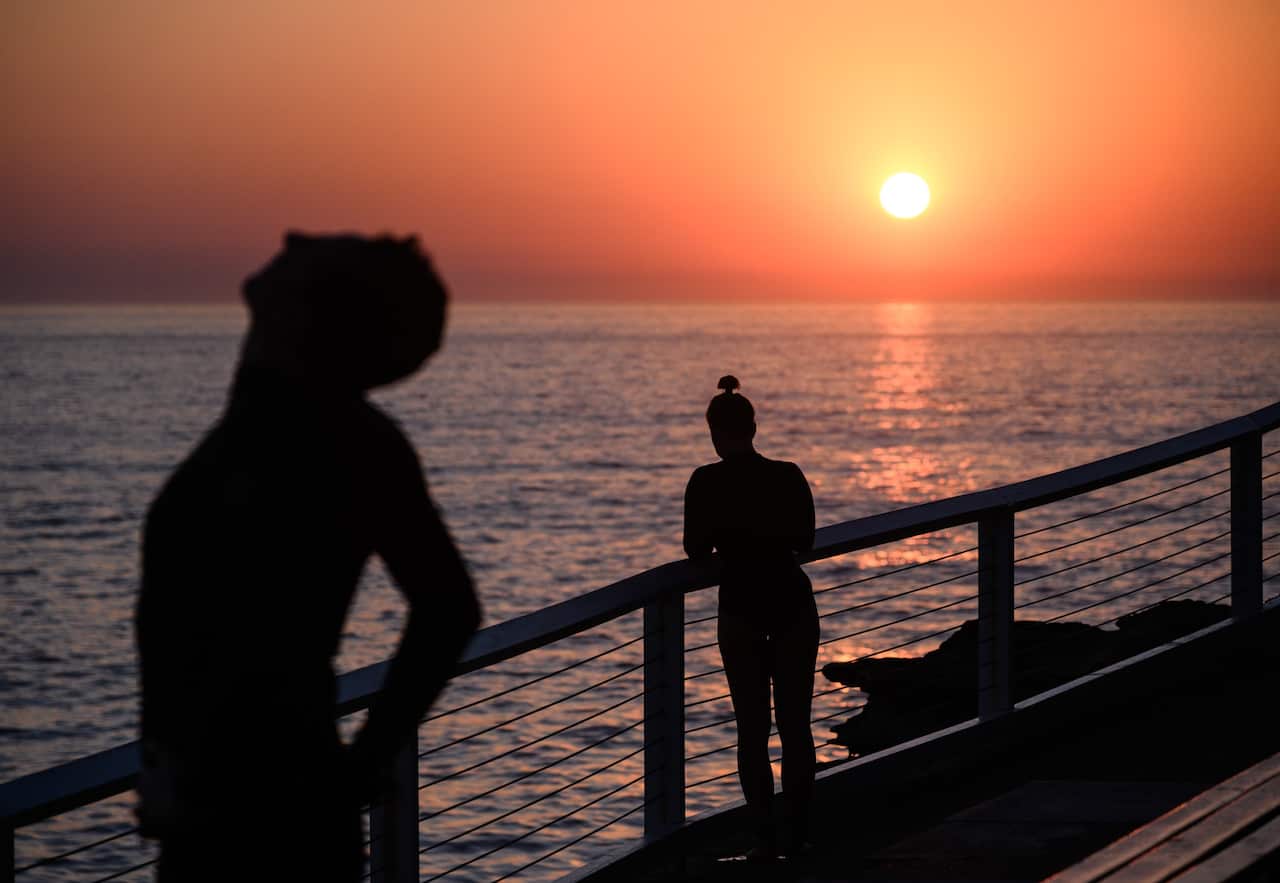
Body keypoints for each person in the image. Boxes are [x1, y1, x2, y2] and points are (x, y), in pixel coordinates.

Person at [134, 232, 481, 881]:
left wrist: (363, 763)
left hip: (273, 818)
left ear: (314, 312)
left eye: (312, 253)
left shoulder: (342, 439)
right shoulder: (262, 427)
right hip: (207, 811)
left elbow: (449, 607)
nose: (291, 238)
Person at [683, 375, 818, 860]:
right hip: (793, 605)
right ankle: (799, 837)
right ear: (755, 427)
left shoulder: (705, 482)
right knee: (796, 726)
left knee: (751, 730)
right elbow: (805, 540)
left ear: (714, 433)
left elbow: (695, 549)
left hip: (740, 609)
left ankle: (764, 840)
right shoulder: (788, 475)